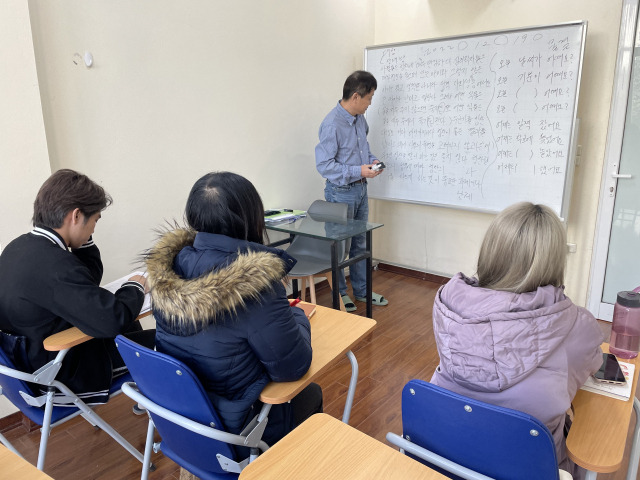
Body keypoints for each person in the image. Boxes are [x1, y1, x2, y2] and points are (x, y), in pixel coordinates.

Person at [145, 171, 322, 446]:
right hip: (238, 428)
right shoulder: (256, 285)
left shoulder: (167, 268)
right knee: (310, 393)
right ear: (251, 217)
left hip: (180, 418)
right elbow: (293, 367)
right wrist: (297, 316)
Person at [430, 202, 603, 475]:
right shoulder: (577, 325)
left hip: (447, 456)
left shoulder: (449, 303)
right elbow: (592, 365)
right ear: (556, 259)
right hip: (529, 467)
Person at [0, 169, 154, 405]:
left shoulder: (19, 248)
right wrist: (135, 285)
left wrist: (81, 240)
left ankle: (149, 398)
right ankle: (174, 418)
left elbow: (84, 282)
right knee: (165, 344)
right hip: (59, 375)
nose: (93, 229)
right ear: (76, 216)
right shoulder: (54, 265)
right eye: (94, 221)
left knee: (131, 323)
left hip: (28, 364)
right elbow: (112, 319)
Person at [315, 70, 389, 312]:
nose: (370, 103)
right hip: (340, 193)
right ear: (356, 96)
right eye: (369, 98)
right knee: (340, 247)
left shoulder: (360, 120)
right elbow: (325, 166)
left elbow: (362, 150)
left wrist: (372, 162)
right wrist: (360, 171)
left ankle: (362, 291)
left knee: (360, 244)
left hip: (360, 191)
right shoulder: (331, 125)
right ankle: (339, 294)